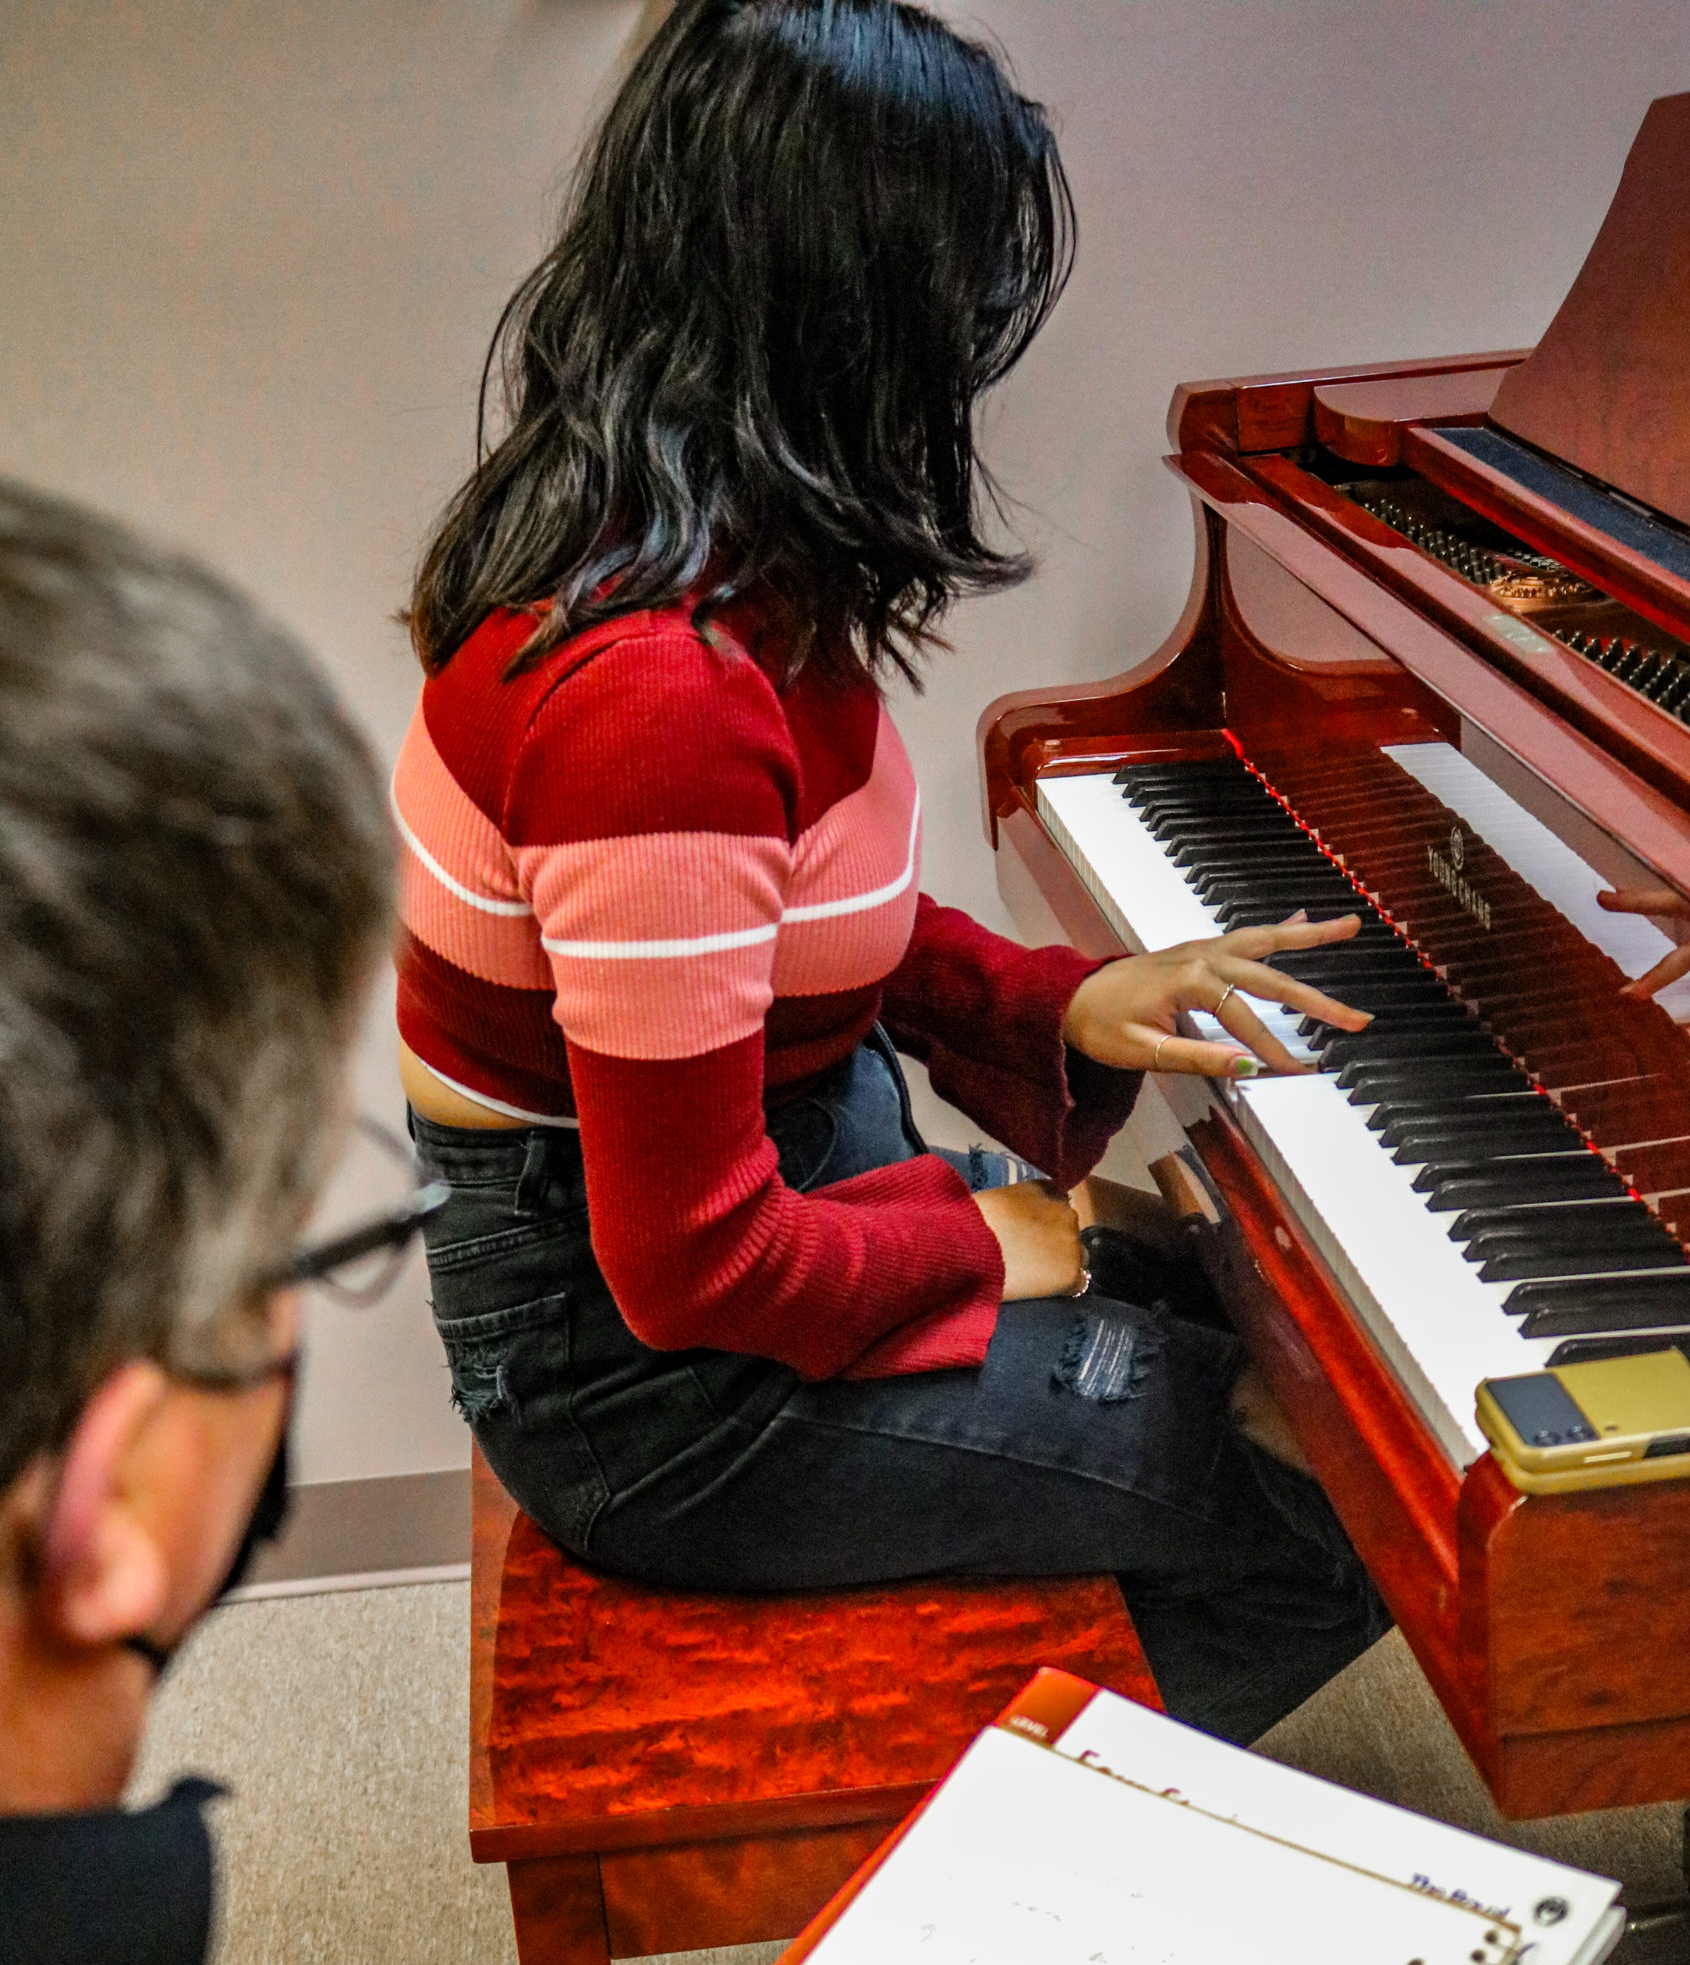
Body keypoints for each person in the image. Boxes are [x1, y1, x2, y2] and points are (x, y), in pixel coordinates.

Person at [0, 476, 1397, 1965]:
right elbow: (704, 1264)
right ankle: (1038, 1839)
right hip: (678, 1389)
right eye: (315, 1252)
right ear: (115, 1501)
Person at [395, 0, 1390, 1747]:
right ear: (839, 317)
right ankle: (985, 1857)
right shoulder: (654, 703)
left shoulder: (704, 559)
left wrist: (1054, 996)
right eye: (953, 314)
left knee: (1269, 1331)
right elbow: (695, 1268)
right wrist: (983, 1243)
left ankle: (1034, 1676)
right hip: (643, 1377)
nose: (970, 364)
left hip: (744, 1186)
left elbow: (761, 929)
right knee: (1333, 1505)